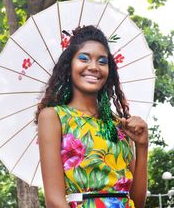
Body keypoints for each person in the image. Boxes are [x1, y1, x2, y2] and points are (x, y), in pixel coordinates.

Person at [36, 25, 148, 208]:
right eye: (84, 58)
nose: (94, 67)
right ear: (69, 65)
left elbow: (137, 201)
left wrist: (142, 146)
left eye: (102, 61)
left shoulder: (119, 125)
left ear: (109, 70)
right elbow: (54, 201)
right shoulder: (53, 117)